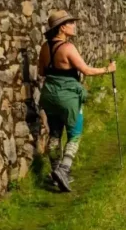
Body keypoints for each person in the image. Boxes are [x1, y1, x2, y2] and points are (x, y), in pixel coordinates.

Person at [37, 11, 116, 192]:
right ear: (62, 27)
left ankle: (55, 172)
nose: (74, 25)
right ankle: (64, 169)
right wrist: (108, 69)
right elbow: (86, 70)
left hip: (49, 95)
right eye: (71, 22)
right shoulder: (68, 48)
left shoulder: (45, 47)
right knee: (75, 133)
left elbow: (42, 71)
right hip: (68, 96)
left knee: (55, 134)